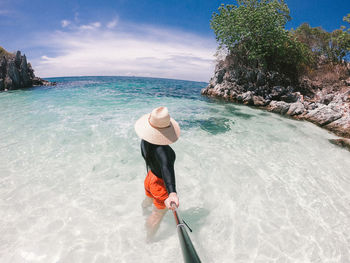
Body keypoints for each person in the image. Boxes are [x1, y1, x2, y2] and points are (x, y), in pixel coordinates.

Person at [134, 106, 180, 240]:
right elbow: (166, 168)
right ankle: (148, 239)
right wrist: (172, 193)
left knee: (148, 198)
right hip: (159, 185)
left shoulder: (145, 140)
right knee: (157, 215)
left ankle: (143, 211)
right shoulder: (164, 151)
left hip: (150, 178)